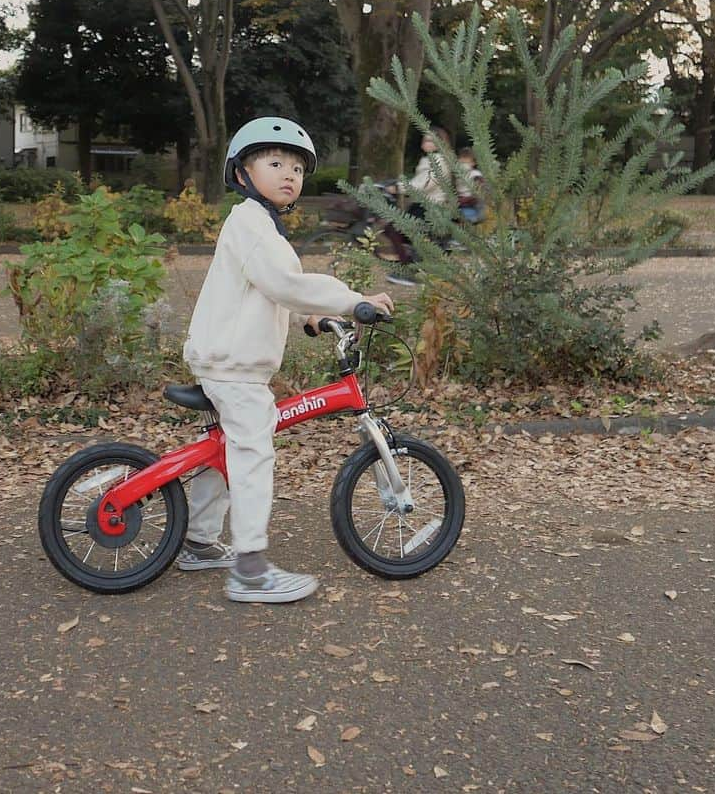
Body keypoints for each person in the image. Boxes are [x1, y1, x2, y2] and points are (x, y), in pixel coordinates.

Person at [179, 116, 394, 604]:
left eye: (296, 167)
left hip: (229, 361)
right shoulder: (250, 223)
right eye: (274, 163)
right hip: (232, 365)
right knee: (254, 450)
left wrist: (313, 319)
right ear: (241, 174)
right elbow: (286, 284)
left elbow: (277, 289)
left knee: (223, 451)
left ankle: (197, 540)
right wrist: (351, 301)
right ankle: (251, 571)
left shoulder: (262, 229)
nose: (288, 174)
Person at [385, 128, 450, 285]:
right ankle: (407, 264)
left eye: (430, 140)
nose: (426, 143)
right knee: (395, 231)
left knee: (397, 230)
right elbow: (418, 181)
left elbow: (425, 185)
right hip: (420, 206)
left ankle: (410, 271)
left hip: (431, 209)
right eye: (425, 139)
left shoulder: (440, 161)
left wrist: (398, 188)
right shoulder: (426, 160)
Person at [454, 145, 486, 224]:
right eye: (461, 162)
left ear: (473, 163)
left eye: (466, 162)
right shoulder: (457, 174)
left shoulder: (474, 173)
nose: (463, 165)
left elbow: (480, 187)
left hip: (470, 203)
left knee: (466, 221)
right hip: (460, 202)